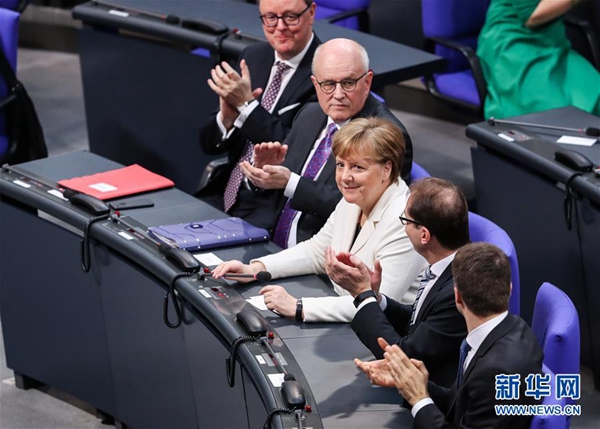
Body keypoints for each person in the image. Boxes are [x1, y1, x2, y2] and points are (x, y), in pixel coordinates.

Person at [212, 117, 425, 322]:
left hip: (387, 334)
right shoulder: (356, 197)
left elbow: (376, 303)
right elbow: (316, 252)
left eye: (357, 167)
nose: (345, 177)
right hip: (347, 318)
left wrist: (298, 307)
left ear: (387, 169)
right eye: (340, 165)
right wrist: (255, 269)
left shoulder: (404, 221)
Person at [241, 38, 413, 248]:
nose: (338, 95)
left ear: (367, 82)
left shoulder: (386, 134)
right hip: (270, 237)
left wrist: (291, 183)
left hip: (326, 256)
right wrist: (265, 172)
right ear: (316, 84)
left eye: (348, 83)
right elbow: (280, 185)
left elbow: (365, 212)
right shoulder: (309, 113)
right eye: (329, 84)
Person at [380, 242, 543, 429]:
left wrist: (419, 399)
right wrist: (416, 383)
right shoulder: (517, 327)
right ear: (509, 289)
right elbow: (465, 402)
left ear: (457, 297)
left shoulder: (494, 372)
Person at [329, 178, 469, 387]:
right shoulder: (447, 266)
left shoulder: (458, 290)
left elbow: (404, 359)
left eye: (406, 221)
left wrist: (362, 295)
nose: (404, 228)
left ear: (424, 235)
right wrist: (377, 298)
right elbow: (421, 323)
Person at [197, 0, 321, 229]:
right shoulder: (253, 56)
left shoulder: (324, 72)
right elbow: (208, 145)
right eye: (270, 18)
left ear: (311, 12)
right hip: (224, 190)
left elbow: (298, 151)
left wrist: (246, 106)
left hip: (273, 203)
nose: (280, 27)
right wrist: (226, 118)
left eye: (290, 17)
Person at [478, 0, 600, 119]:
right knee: (555, 112)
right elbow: (531, 15)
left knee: (594, 96)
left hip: (552, 43)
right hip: (514, 44)